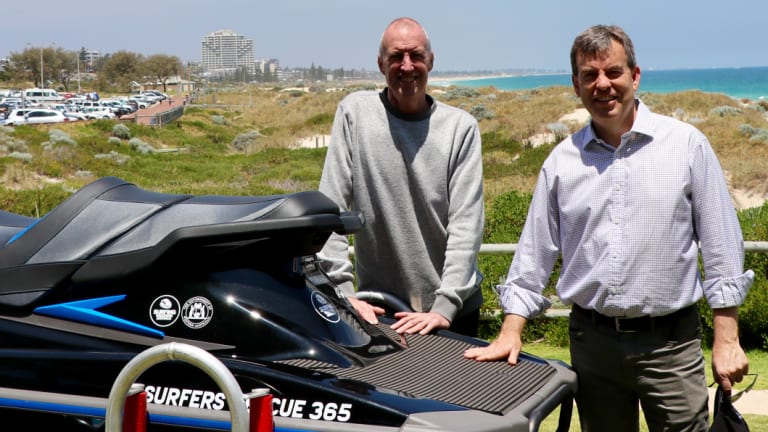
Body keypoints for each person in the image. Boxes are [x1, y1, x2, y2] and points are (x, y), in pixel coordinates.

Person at [464, 24, 754, 431]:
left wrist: (726, 339)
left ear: (635, 76)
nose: (603, 85)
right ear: (576, 86)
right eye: (589, 76)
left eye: (613, 72)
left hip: (669, 345)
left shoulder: (686, 145)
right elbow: (535, 253)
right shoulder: (561, 162)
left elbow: (722, 244)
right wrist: (511, 330)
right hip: (592, 345)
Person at [318, 17, 484, 337]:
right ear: (380, 64)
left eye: (416, 56)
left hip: (452, 312)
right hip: (379, 311)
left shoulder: (460, 129)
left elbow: (466, 225)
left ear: (431, 62)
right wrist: (343, 293)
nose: (407, 66)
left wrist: (444, 306)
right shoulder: (355, 115)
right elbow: (331, 211)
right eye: (396, 57)